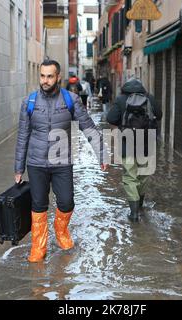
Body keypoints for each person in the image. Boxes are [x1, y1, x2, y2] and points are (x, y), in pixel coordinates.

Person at [15, 60, 109, 263]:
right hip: (36, 163)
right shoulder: (29, 102)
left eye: (49, 76)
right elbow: (23, 135)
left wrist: (102, 154)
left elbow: (88, 127)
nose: (45, 80)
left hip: (62, 162)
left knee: (66, 202)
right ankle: (38, 247)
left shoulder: (71, 100)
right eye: (42, 76)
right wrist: (19, 167)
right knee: (38, 205)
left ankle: (61, 230)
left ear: (58, 77)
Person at [107, 77, 162, 222]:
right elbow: (160, 115)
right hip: (147, 143)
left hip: (127, 143)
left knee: (130, 177)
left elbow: (110, 118)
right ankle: (141, 205)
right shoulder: (149, 98)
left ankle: (134, 213)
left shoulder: (120, 99)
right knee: (143, 174)